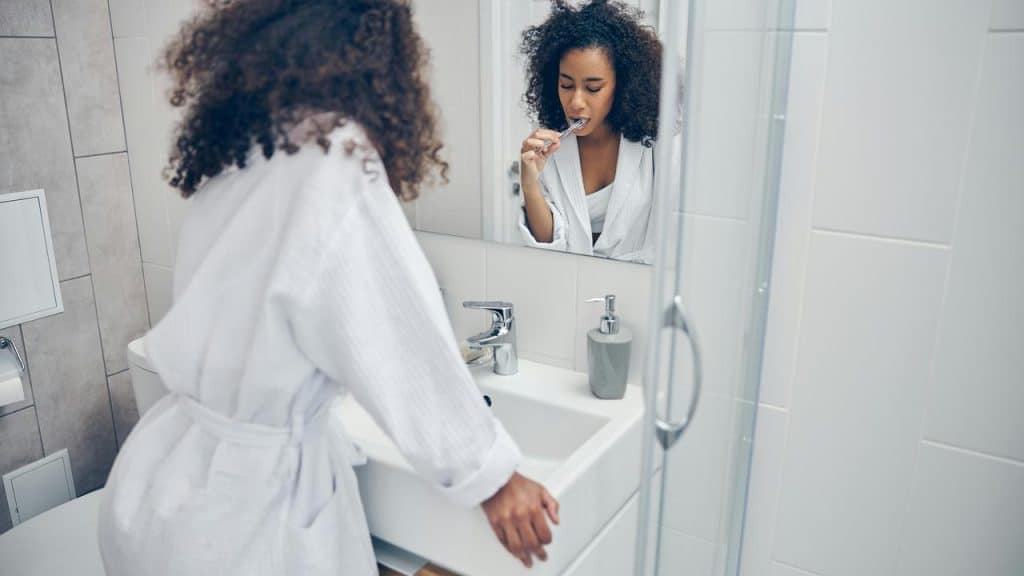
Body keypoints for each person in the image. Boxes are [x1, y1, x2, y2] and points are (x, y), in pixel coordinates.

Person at [97, 1, 557, 574]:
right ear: (375, 51)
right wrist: (492, 477)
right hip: (249, 517)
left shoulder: (246, 151)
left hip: (166, 486)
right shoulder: (333, 162)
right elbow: (399, 337)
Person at [518, 0, 662, 264]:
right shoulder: (548, 147)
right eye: (566, 85)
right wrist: (530, 185)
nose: (575, 103)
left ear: (623, 85)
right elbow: (548, 244)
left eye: (593, 88)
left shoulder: (653, 144)